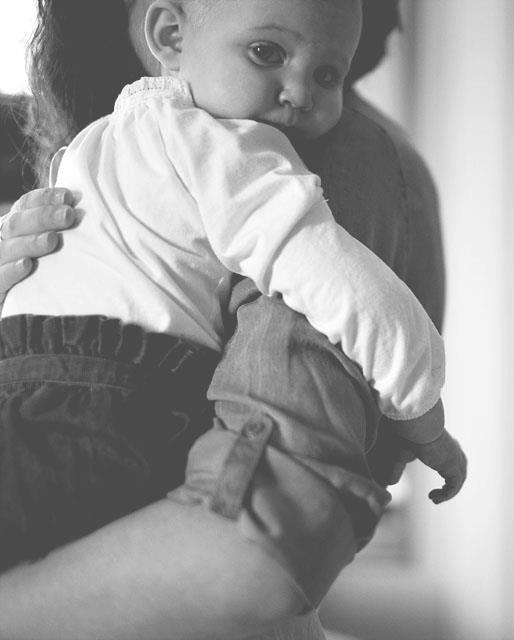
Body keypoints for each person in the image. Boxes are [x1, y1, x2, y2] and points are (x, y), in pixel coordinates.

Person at [0, 0, 451, 637]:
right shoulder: (124, 132)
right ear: (168, 31)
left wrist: (424, 413)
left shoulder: (307, 148)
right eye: (267, 54)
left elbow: (253, 554)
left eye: (326, 74)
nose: (298, 94)